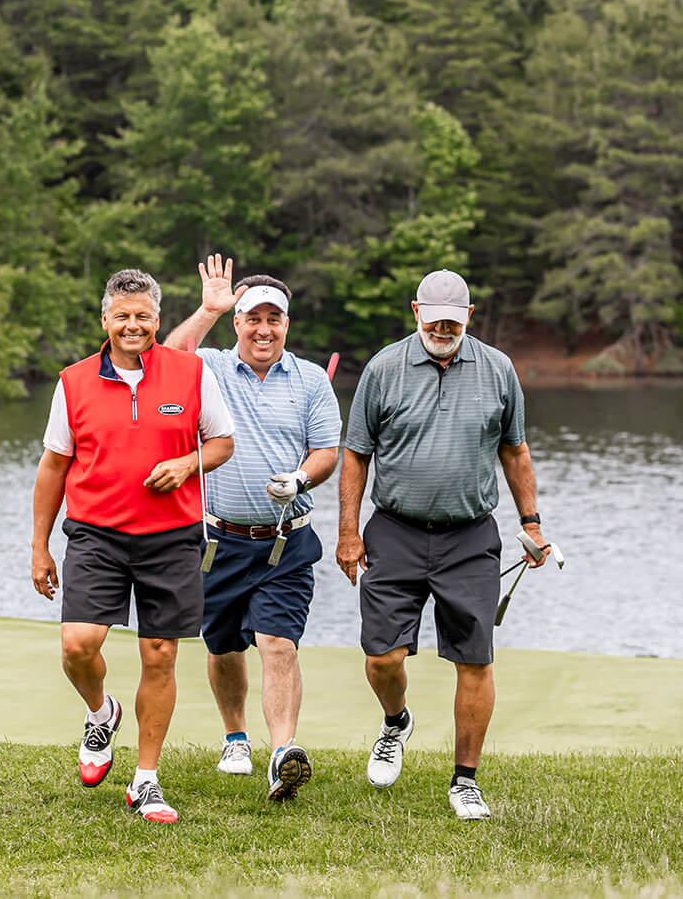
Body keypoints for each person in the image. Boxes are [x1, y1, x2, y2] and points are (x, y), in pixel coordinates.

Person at [336, 268, 550, 821]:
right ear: (415, 312)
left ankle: (465, 781)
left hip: (470, 536)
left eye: (453, 323)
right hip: (395, 530)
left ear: (469, 318)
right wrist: (347, 532)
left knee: (474, 660)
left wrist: (531, 522)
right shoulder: (383, 368)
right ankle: (395, 722)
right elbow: (356, 454)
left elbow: (515, 451)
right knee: (382, 656)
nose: (443, 331)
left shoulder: (498, 369)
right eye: (434, 322)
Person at [31, 268, 234, 824]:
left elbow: (221, 443)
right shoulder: (73, 381)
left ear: (157, 320)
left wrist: (186, 462)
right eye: (122, 315)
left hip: (171, 538)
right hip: (95, 534)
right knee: (77, 644)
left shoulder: (190, 373)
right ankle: (102, 711)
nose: (133, 325)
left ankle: (145, 780)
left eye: (143, 316)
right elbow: (53, 466)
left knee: (160, 655)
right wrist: (39, 546)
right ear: (105, 320)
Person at [164, 254, 341, 801]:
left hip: (284, 543)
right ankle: (235, 736)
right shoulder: (211, 366)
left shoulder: (311, 379)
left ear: (286, 324)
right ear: (238, 322)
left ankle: (283, 751)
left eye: (274, 319)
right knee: (221, 648)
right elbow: (168, 357)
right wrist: (208, 309)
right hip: (216, 541)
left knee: (278, 644)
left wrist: (300, 478)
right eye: (252, 318)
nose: (264, 329)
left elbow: (327, 451)